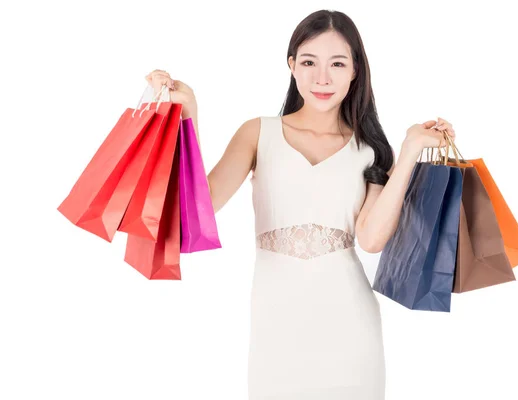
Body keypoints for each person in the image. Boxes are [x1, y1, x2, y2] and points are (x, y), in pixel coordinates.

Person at [146, 9, 455, 400]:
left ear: (355, 70)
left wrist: (409, 150)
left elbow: (372, 240)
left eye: (337, 64)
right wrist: (188, 117)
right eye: (309, 62)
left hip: (351, 331)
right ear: (292, 65)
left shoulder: (371, 149)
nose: (322, 78)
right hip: (276, 330)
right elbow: (195, 211)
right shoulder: (259, 133)